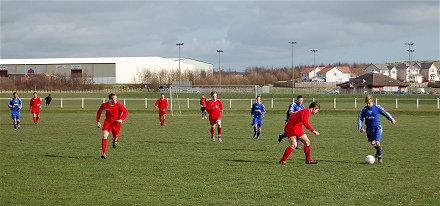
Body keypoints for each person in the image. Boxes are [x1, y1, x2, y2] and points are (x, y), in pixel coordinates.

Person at [357, 95, 396, 164]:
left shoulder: (377, 108)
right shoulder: (364, 110)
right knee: (373, 143)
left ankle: (379, 158)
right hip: (369, 129)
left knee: (377, 142)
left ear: (372, 101)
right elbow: (360, 118)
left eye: (369, 103)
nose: (368, 105)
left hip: (377, 128)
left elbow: (385, 113)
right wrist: (360, 127)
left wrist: (391, 119)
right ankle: (379, 149)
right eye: (367, 103)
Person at [96, 93, 129, 159]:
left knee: (115, 137)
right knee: (105, 135)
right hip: (107, 122)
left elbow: (126, 112)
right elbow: (99, 112)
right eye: (115, 99)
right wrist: (98, 122)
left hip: (116, 123)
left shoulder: (119, 105)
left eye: (117, 99)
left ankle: (115, 141)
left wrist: (121, 119)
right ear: (111, 99)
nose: (117, 100)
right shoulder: (104, 105)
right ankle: (104, 153)